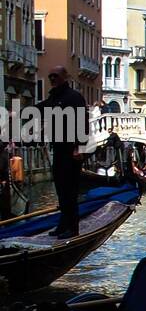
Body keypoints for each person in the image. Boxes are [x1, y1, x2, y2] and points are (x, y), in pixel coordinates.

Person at [39, 68, 88, 238]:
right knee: (60, 189)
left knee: (70, 190)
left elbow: (83, 123)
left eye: (55, 76)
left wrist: (78, 148)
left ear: (64, 77)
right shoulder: (55, 98)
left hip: (71, 150)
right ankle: (63, 224)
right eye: (50, 76)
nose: (52, 79)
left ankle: (73, 228)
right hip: (59, 149)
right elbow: (41, 108)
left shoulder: (73, 97)